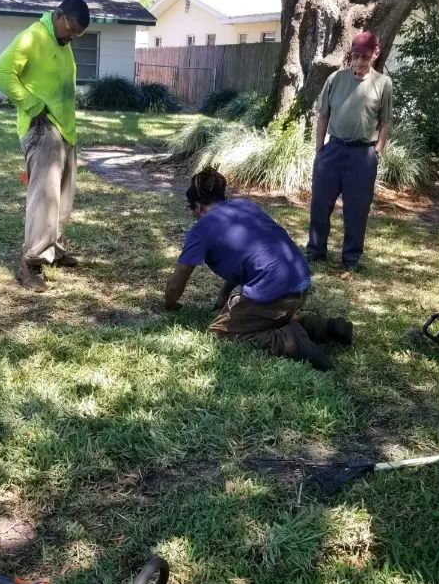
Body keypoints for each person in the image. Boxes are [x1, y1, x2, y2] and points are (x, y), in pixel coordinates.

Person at [164, 168, 353, 370]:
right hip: (300, 280)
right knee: (267, 316)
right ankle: (327, 327)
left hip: (276, 292)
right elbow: (250, 256)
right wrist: (224, 293)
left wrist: (170, 303)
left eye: (192, 211)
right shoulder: (244, 206)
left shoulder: (200, 231)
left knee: (220, 331)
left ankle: (289, 341)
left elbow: (176, 285)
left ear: (199, 207)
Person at [0, 0, 90, 292]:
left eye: (76, 35)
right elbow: (0, 73)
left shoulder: (62, 41)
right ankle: (30, 263)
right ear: (58, 16)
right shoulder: (33, 36)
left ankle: (55, 251)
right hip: (42, 127)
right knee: (44, 198)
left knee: (62, 197)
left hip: (64, 129)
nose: (71, 37)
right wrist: (32, 104)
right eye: (70, 30)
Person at [306, 31, 393, 272]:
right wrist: (319, 149)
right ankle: (315, 250)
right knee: (320, 203)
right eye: (355, 56)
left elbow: (385, 121)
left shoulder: (383, 83)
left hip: (363, 154)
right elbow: (323, 114)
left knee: (357, 208)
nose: (359, 62)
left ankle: (351, 258)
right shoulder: (335, 79)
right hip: (333, 150)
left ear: (374, 55)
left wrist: (378, 150)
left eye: (364, 57)